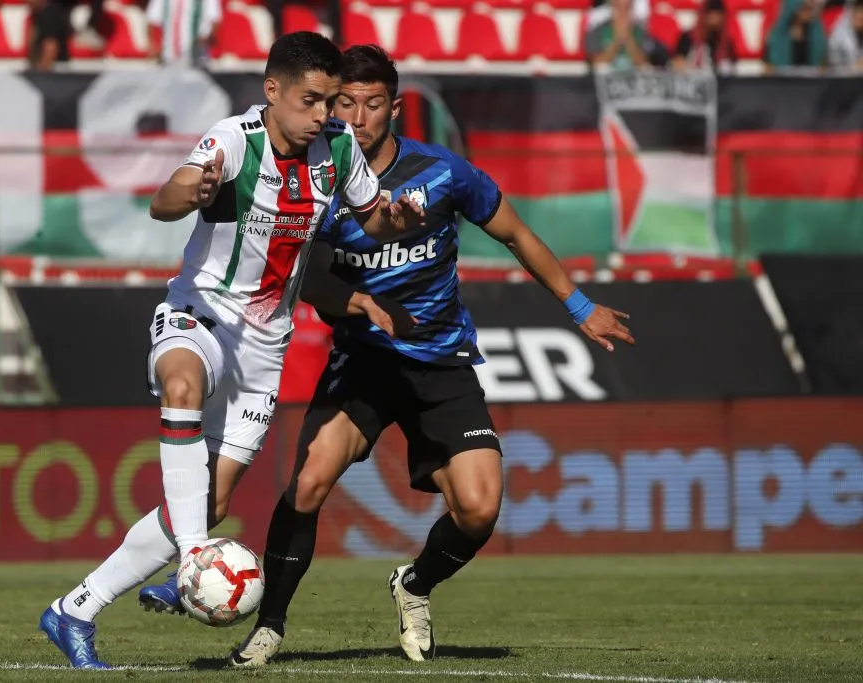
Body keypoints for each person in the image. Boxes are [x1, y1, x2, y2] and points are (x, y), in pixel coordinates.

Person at [140, 44, 635, 667]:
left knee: (479, 510)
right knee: (310, 483)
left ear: (395, 108)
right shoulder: (322, 176)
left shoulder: (444, 173)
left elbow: (515, 234)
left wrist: (579, 305)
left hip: (441, 359)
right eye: (343, 102)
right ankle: (268, 628)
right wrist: (357, 304)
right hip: (365, 361)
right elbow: (304, 278)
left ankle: (415, 584)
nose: (356, 115)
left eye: (372, 104)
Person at [37, 31, 424, 670]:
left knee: (209, 503)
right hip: (201, 316)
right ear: (272, 92)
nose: (325, 115)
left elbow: (372, 216)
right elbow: (166, 201)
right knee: (182, 389)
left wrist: (397, 220)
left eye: (331, 102)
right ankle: (195, 557)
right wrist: (191, 191)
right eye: (311, 101)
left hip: (265, 346)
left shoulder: (337, 153)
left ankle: (73, 610)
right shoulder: (231, 140)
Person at [672, 0, 737, 73]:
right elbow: (677, 62)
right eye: (711, 15)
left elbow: (730, 67)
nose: (714, 19)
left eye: (718, 15)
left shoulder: (726, 43)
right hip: (689, 80)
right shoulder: (688, 37)